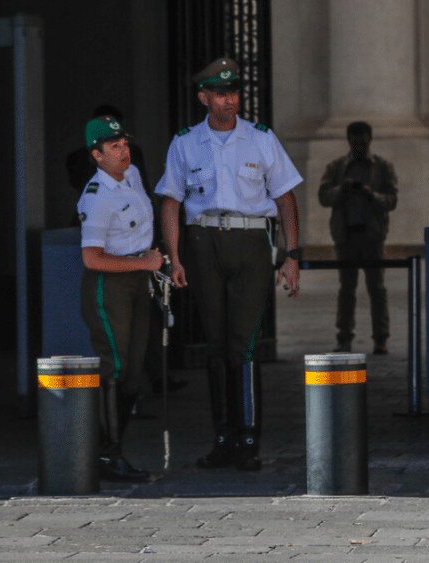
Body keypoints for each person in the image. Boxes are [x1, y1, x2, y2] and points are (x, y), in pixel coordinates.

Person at [155, 57, 303, 471]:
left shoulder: (260, 138)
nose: (230, 100)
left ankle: (250, 436)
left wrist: (291, 256)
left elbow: (285, 199)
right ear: (204, 98)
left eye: (234, 92)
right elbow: (171, 201)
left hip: (252, 240)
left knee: (244, 343)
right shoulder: (185, 142)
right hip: (203, 242)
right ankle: (223, 435)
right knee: (216, 345)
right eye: (221, 93)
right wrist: (175, 257)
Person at [76, 116, 163, 482]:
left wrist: (150, 264)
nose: (123, 150)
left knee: (131, 374)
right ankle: (109, 455)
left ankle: (107, 448)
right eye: (114, 147)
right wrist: (141, 262)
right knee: (112, 368)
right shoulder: (96, 198)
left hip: (138, 280)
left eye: (124, 143)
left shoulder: (133, 176)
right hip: (108, 284)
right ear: (97, 155)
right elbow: (91, 257)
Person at [318, 121, 398, 354]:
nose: (359, 147)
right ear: (348, 142)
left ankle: (380, 339)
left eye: (363, 142)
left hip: (373, 236)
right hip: (346, 236)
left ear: (370, 141)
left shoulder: (383, 167)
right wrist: (341, 190)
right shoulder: (336, 168)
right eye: (355, 143)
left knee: (377, 289)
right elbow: (323, 197)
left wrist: (371, 195)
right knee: (346, 289)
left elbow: (392, 200)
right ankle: (344, 338)